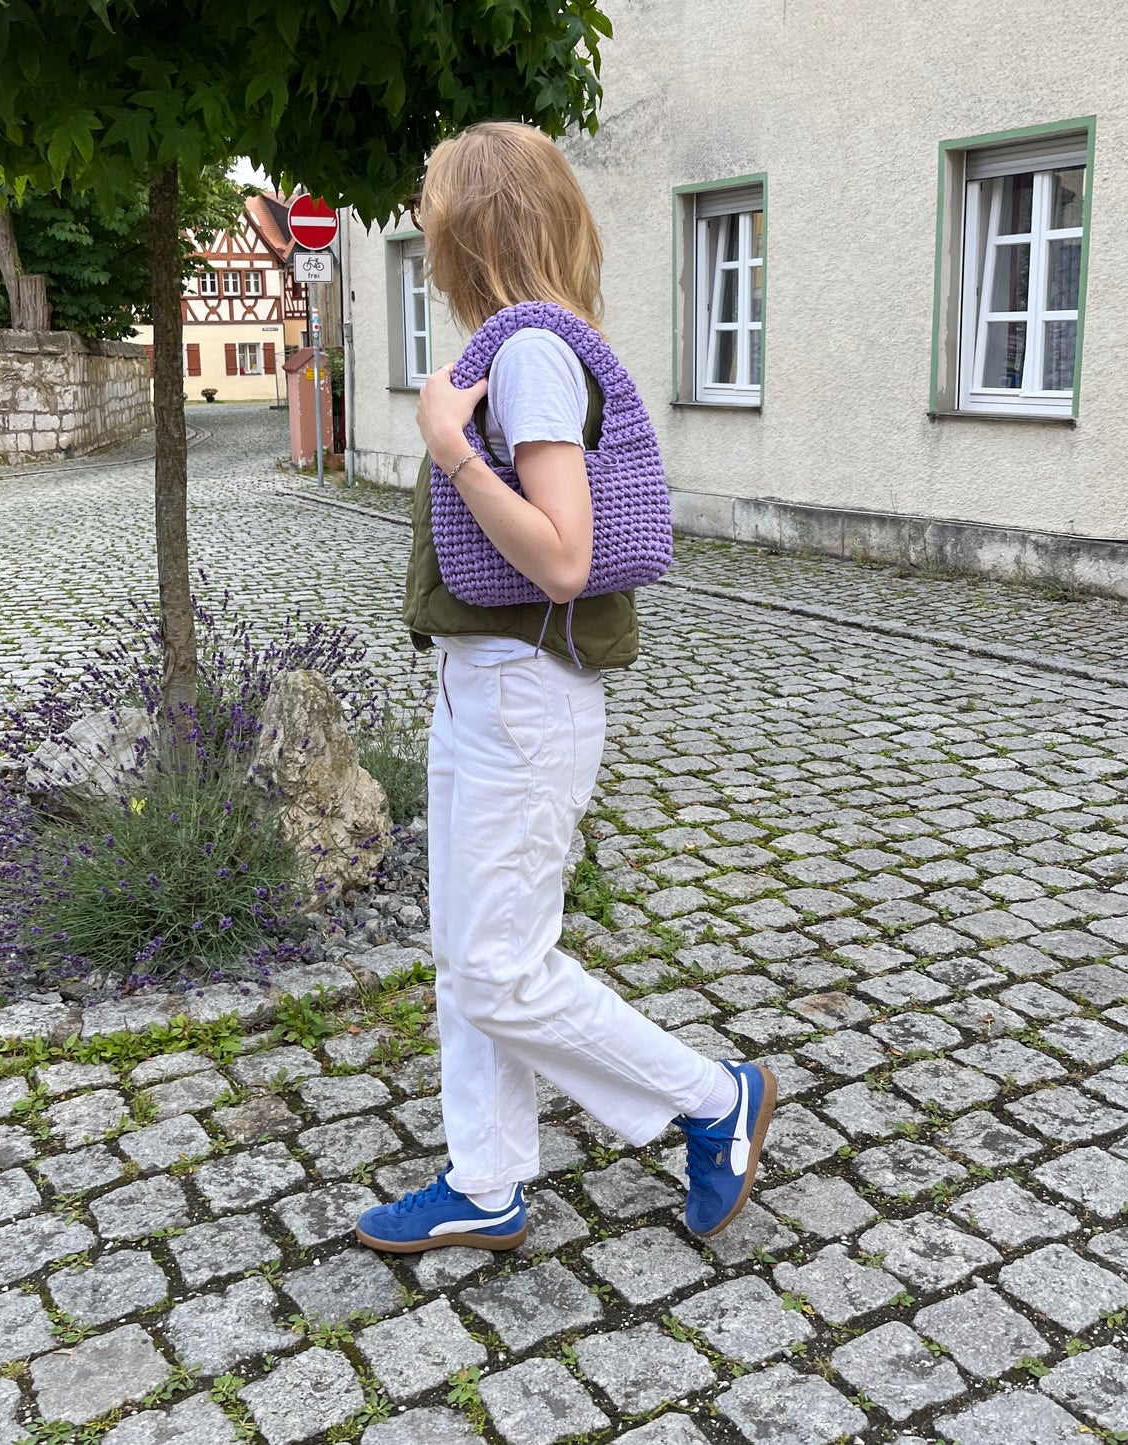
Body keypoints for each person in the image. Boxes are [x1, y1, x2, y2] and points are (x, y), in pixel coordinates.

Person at [355, 121, 776, 1255]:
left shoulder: (532, 354)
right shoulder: (524, 344)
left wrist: (447, 445)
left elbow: (562, 555)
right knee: (468, 955)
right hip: (479, 687)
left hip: (524, 697)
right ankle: (485, 1178)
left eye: (435, 226)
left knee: (500, 966)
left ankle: (710, 1096)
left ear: (467, 236)